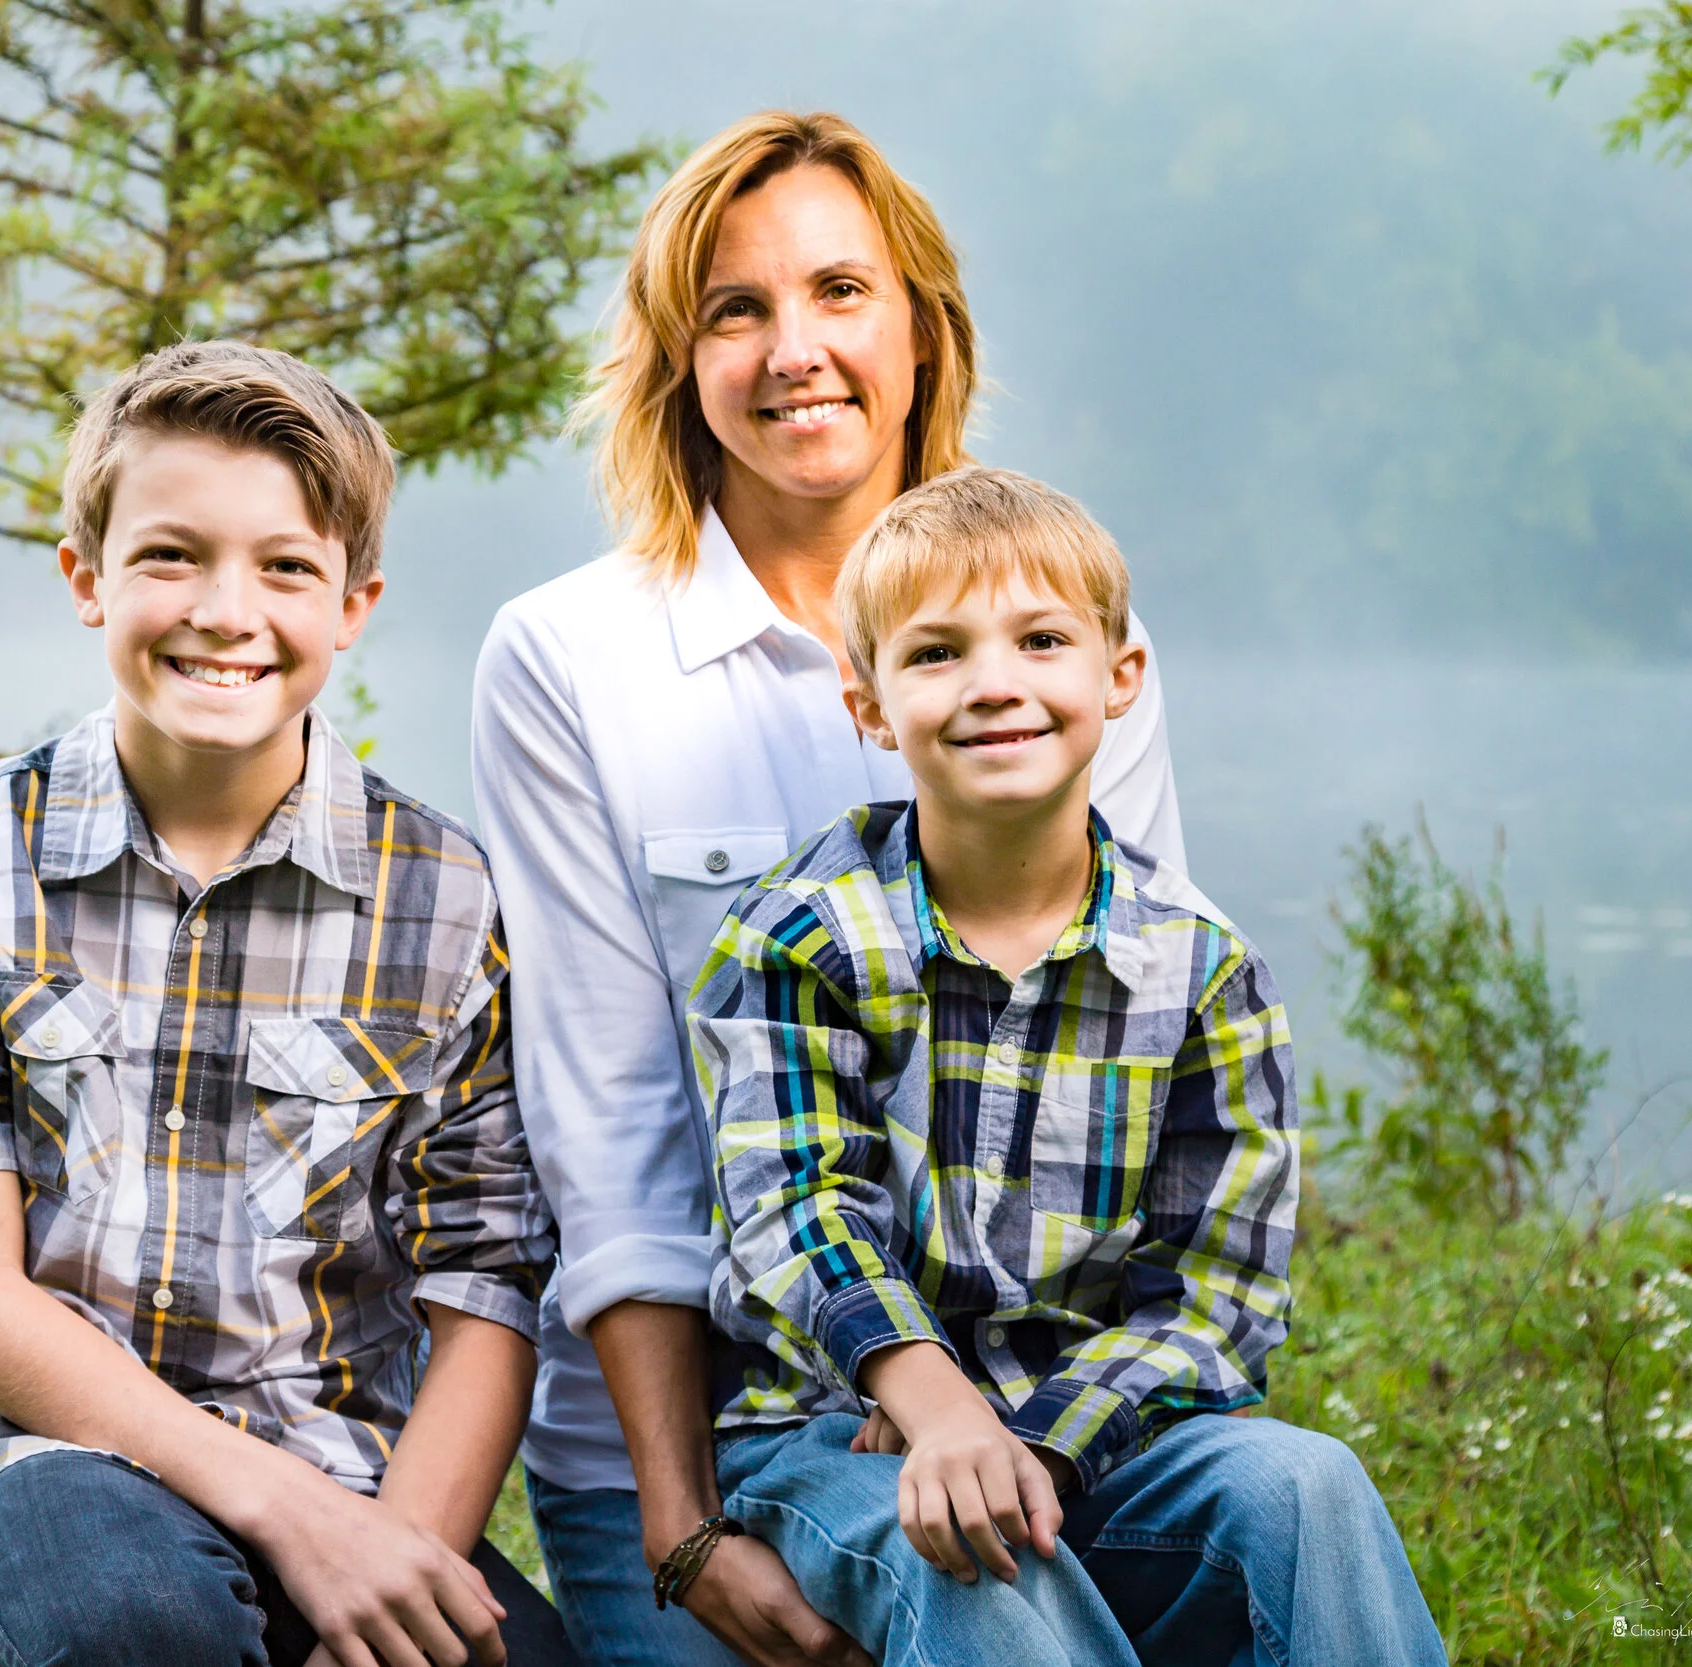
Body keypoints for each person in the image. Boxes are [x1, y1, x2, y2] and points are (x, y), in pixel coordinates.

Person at [470, 112, 1185, 1667]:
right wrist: (681, 1522)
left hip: (1030, 1417)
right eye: (737, 309)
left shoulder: (1062, 632)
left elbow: (1134, 1067)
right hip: (700, 1445)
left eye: (841, 291)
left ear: (923, 327)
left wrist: (1038, 1427)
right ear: (682, 363)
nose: (795, 350)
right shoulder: (569, 657)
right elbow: (607, 1120)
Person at [0, 341, 577, 1667]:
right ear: (86, 577)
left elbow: (487, 1288)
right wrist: (290, 1513)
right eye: (171, 556)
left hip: (354, 1474)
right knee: (131, 1622)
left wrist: (390, 1562)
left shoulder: (451, 900)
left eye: (284, 567)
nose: (226, 611)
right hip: (54, 1462)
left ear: (353, 602)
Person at [690, 467, 1448, 1665]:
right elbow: (797, 1207)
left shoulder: (1201, 969)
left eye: (1041, 640)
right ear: (868, 703)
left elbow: (1216, 1292)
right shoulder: (800, 936)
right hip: (835, 1433)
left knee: (1304, 1485)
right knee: (970, 1556)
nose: (995, 682)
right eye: (936, 652)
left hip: (1092, 1436)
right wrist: (936, 1407)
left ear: (1118, 675)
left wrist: (1038, 1443)